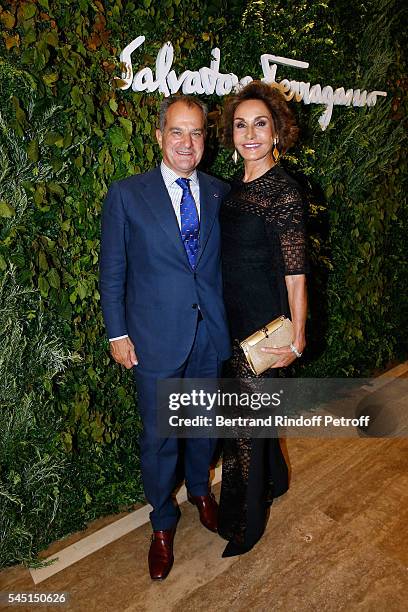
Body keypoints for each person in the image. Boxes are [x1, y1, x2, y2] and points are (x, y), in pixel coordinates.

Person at [99, 95, 231, 580]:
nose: (186, 142)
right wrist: (118, 333)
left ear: (204, 140)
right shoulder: (128, 194)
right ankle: (162, 522)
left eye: (195, 133)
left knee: (203, 426)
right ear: (159, 136)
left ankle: (200, 490)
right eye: (177, 131)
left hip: (207, 336)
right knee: (159, 437)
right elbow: (112, 272)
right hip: (154, 339)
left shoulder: (219, 192)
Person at [218, 81, 308, 557]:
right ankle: (277, 479)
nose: (249, 133)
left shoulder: (284, 192)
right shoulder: (234, 188)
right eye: (240, 124)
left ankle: (244, 525)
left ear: (276, 131)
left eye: (260, 123)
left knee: (244, 430)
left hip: (262, 331)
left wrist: (296, 339)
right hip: (228, 322)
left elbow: (296, 275)